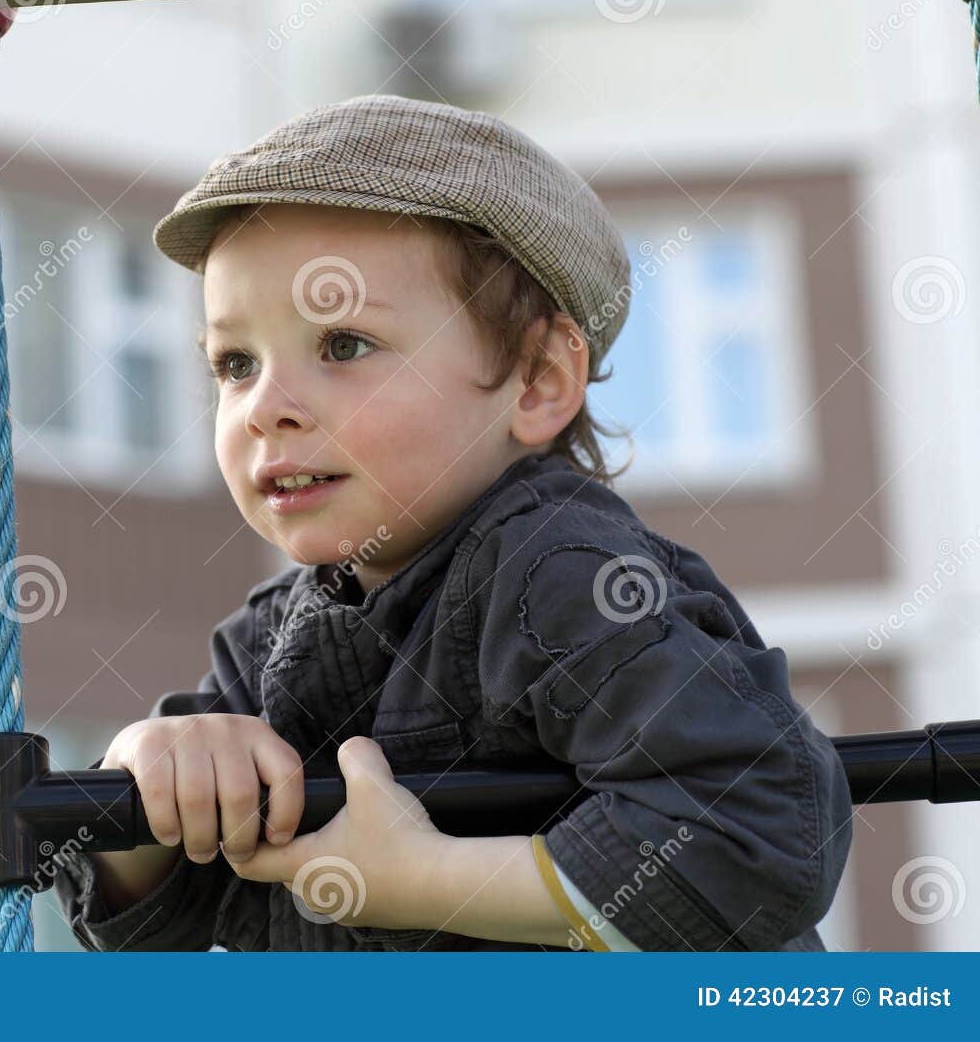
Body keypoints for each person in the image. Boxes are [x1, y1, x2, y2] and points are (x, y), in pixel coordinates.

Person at [49, 94, 853, 952]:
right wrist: (149, 772)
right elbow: (149, 920)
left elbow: (757, 822)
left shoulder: (561, 574)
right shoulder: (269, 642)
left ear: (538, 379)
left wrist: (428, 882)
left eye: (343, 344)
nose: (264, 408)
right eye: (235, 363)